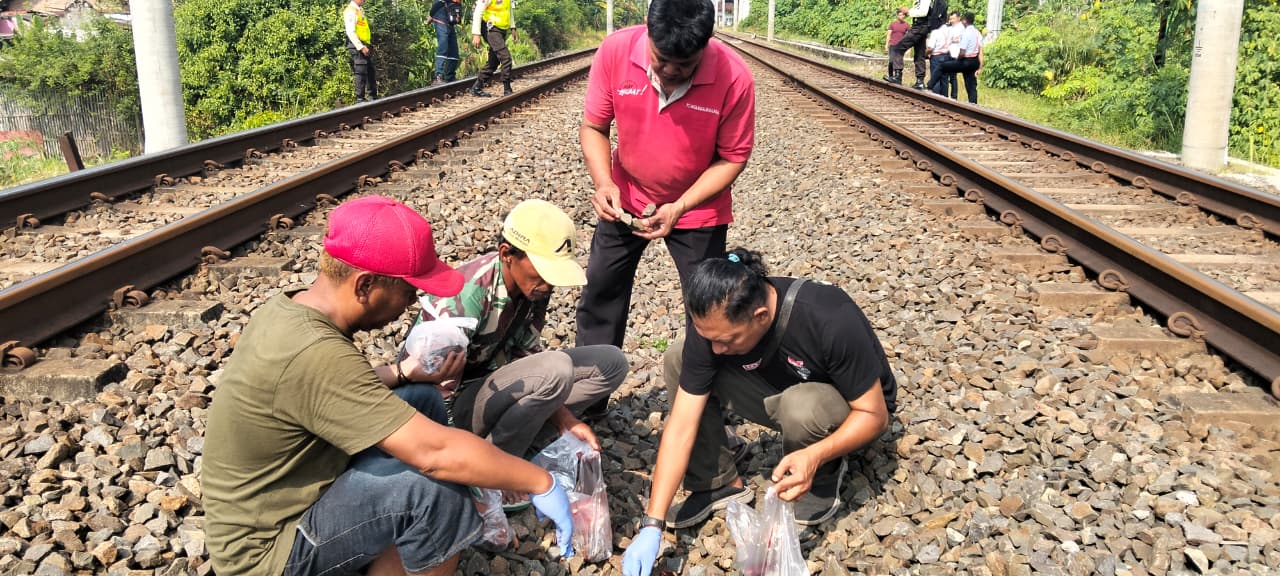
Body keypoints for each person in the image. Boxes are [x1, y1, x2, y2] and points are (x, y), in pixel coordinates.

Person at [203, 195, 575, 576]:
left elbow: (346, 387)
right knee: (437, 493)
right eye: (410, 290)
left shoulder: (293, 310)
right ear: (366, 285)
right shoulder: (316, 352)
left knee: (421, 398)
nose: (415, 301)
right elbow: (435, 454)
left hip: (283, 497)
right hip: (267, 551)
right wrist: (540, 481)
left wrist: (405, 373)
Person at [620, 248, 897, 576]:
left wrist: (815, 455)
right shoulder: (712, 322)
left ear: (761, 316)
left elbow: (875, 414)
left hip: (851, 409)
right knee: (679, 359)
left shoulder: (828, 317)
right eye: (711, 339)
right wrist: (653, 523)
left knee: (802, 406)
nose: (716, 349)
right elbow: (681, 424)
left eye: (727, 341)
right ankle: (716, 481)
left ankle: (823, 472)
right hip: (778, 389)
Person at [409, 199, 628, 496]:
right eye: (542, 272)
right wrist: (459, 466)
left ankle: (528, 438)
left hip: (491, 386)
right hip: (445, 409)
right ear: (507, 255)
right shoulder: (467, 295)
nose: (549, 286)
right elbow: (435, 392)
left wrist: (565, 418)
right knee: (556, 370)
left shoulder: (534, 287)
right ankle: (499, 472)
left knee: (611, 362)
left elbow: (525, 354)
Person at [576, 0, 755, 355]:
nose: (671, 71)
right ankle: (588, 400)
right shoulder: (616, 51)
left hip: (698, 209)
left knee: (710, 306)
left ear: (707, 42)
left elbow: (734, 157)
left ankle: (703, 403)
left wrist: (681, 206)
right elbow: (594, 126)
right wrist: (604, 183)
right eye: (662, 60)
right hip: (625, 196)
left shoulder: (735, 78)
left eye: (685, 64)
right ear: (647, 27)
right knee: (600, 290)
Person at [884, 0, 948, 89]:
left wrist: (908, 11)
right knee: (919, 54)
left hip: (919, 27)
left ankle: (898, 76)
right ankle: (920, 81)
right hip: (924, 27)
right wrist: (910, 12)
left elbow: (923, 12)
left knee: (897, 48)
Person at [469, 0, 517, 96]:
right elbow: (478, 12)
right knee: (505, 58)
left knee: (493, 61)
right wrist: (476, 33)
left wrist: (513, 28)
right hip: (490, 28)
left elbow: (509, 11)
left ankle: (477, 87)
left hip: (502, 30)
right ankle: (507, 89)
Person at [941, 11, 982, 104]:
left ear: (963, 20)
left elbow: (962, 51)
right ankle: (973, 104)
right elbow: (981, 51)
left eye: (953, 18)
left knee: (943, 68)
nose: (951, 20)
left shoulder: (965, 32)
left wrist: (958, 59)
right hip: (973, 60)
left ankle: (939, 92)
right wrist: (980, 66)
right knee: (971, 84)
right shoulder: (977, 32)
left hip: (963, 59)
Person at [343, 0, 378, 102]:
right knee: (360, 70)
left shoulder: (359, 10)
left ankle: (373, 96)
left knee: (370, 70)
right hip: (357, 45)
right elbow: (351, 32)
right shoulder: (350, 11)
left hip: (364, 44)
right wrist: (361, 47)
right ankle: (360, 99)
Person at [429, 0, 463, 85]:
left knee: (454, 50)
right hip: (441, 13)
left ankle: (450, 76)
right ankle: (438, 76)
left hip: (450, 15)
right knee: (443, 46)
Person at [884, 7, 909, 78]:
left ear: (904, 16)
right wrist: (886, 45)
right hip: (892, 45)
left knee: (898, 61)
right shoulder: (892, 24)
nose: (901, 16)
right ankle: (890, 75)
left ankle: (897, 77)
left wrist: (908, 49)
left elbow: (908, 37)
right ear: (897, 15)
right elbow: (888, 35)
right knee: (891, 60)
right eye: (900, 15)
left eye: (903, 15)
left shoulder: (907, 25)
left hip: (901, 46)